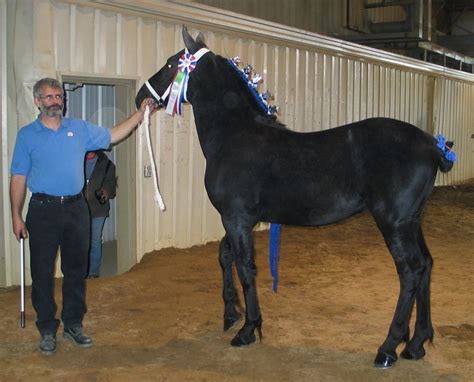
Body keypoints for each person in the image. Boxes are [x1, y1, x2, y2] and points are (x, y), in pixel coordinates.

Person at [9, 77, 157, 356]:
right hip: (42, 211)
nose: (55, 101)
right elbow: (18, 177)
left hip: (77, 209)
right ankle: (47, 330)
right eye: (49, 97)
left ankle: (73, 325)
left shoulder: (78, 129)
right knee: (41, 273)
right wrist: (15, 216)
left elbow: (113, 135)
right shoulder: (27, 135)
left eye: (58, 96)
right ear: (37, 102)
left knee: (76, 270)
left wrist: (140, 114)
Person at [84, 151, 116, 278]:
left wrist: (106, 192)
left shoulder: (107, 164)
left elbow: (112, 189)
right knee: (81, 242)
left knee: (95, 241)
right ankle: (82, 272)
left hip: (99, 209)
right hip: (79, 209)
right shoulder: (75, 160)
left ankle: (93, 273)